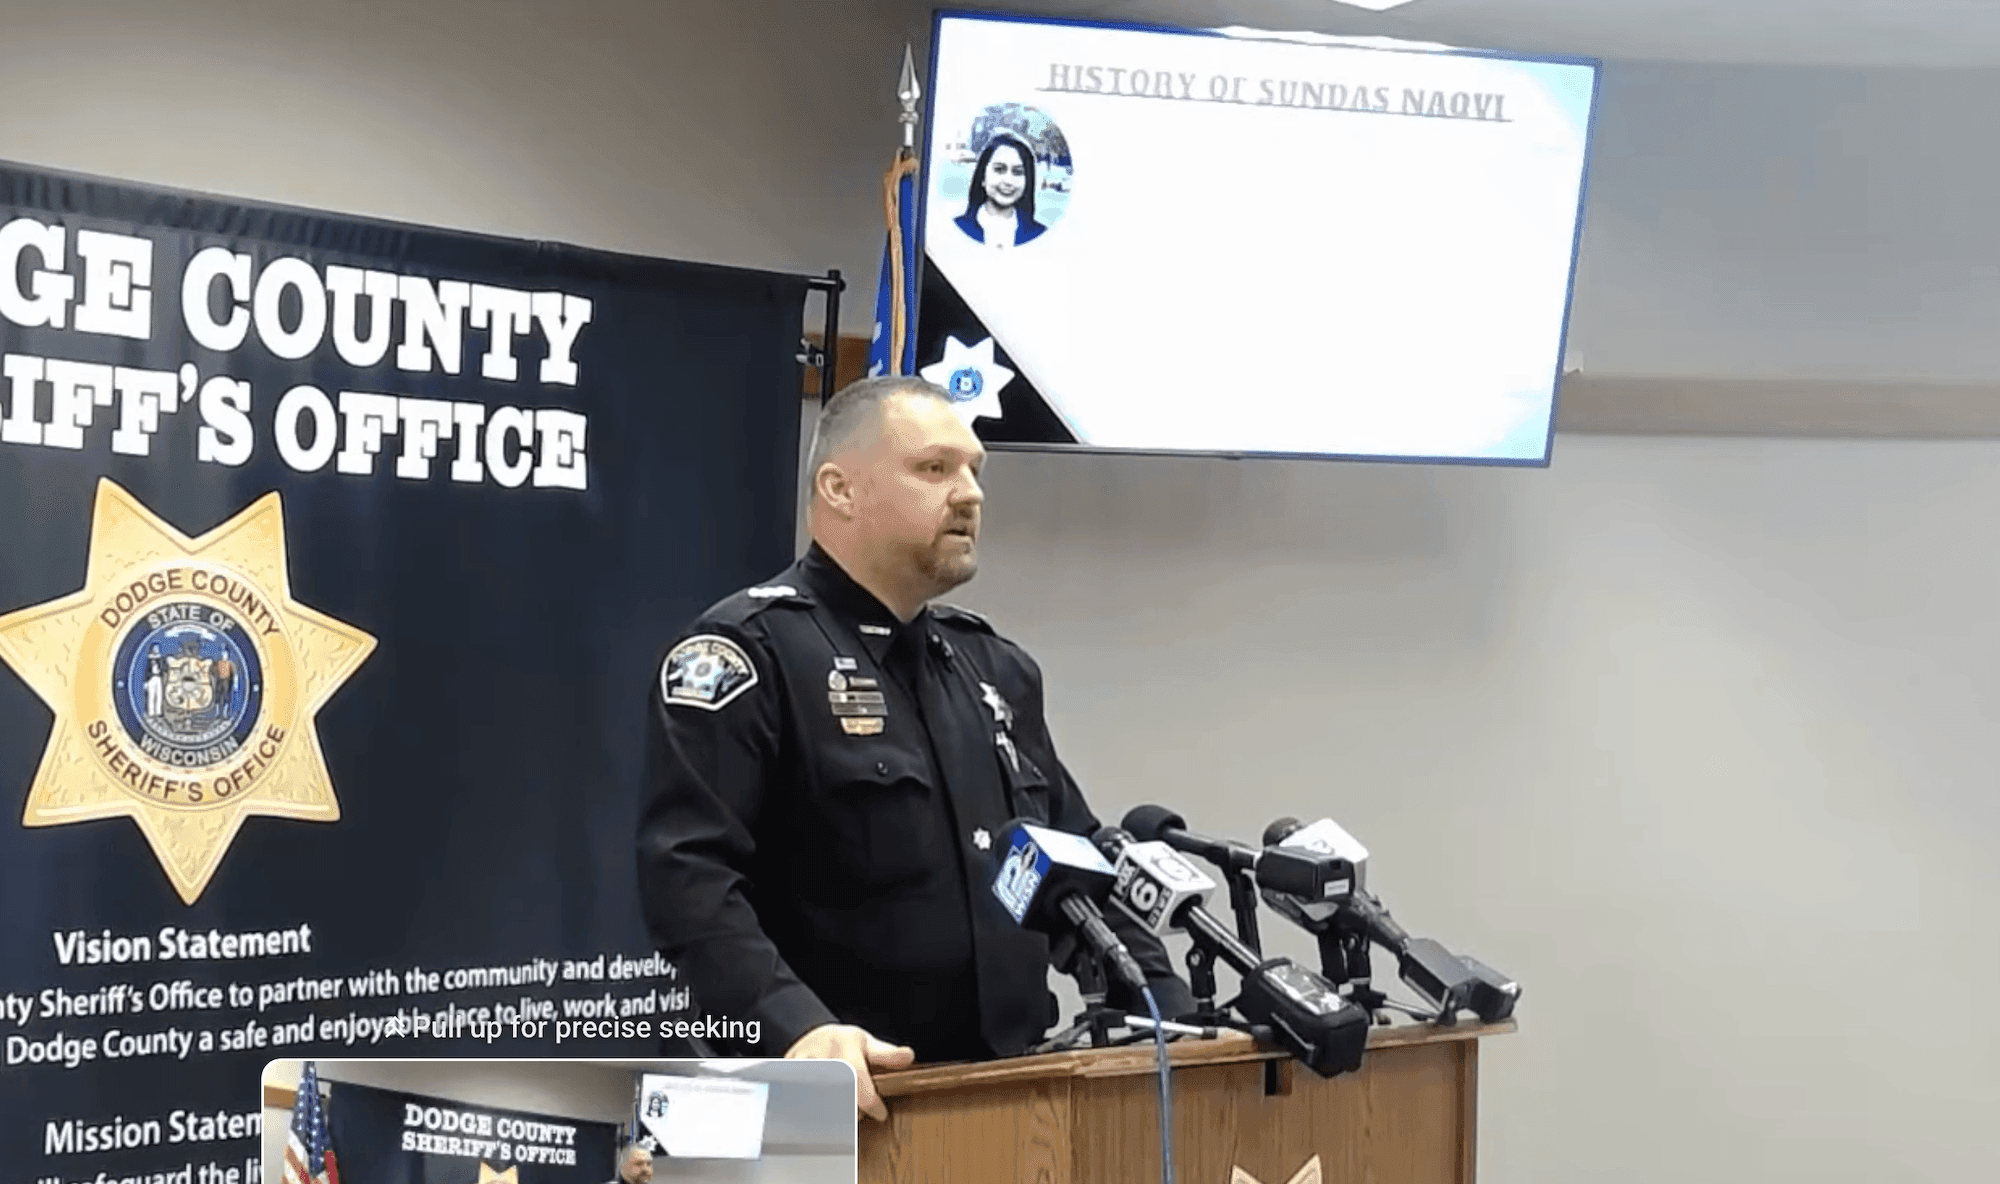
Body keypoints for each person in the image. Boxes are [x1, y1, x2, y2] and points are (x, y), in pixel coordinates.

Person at [638, 376, 1194, 1121]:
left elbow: (1074, 866)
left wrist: (1173, 1015)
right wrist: (797, 1027)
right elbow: (689, 879)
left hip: (1007, 1103)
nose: (971, 494)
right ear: (839, 489)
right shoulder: (750, 654)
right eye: (935, 469)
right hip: (821, 1105)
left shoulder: (993, 670)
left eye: (974, 471)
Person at [952, 135, 1047, 248]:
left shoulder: (1041, 235)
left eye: (1018, 172)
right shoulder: (955, 229)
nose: (1008, 181)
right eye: (999, 169)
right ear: (982, 177)